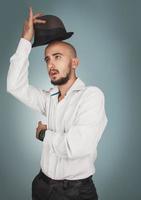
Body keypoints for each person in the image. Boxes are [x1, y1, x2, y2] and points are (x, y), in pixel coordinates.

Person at [7, 7, 108, 200]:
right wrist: (25, 41)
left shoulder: (91, 96)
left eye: (58, 57)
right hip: (42, 186)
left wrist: (45, 134)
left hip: (76, 192)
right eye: (47, 60)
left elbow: (76, 147)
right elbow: (14, 86)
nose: (51, 65)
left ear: (74, 63)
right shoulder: (50, 98)